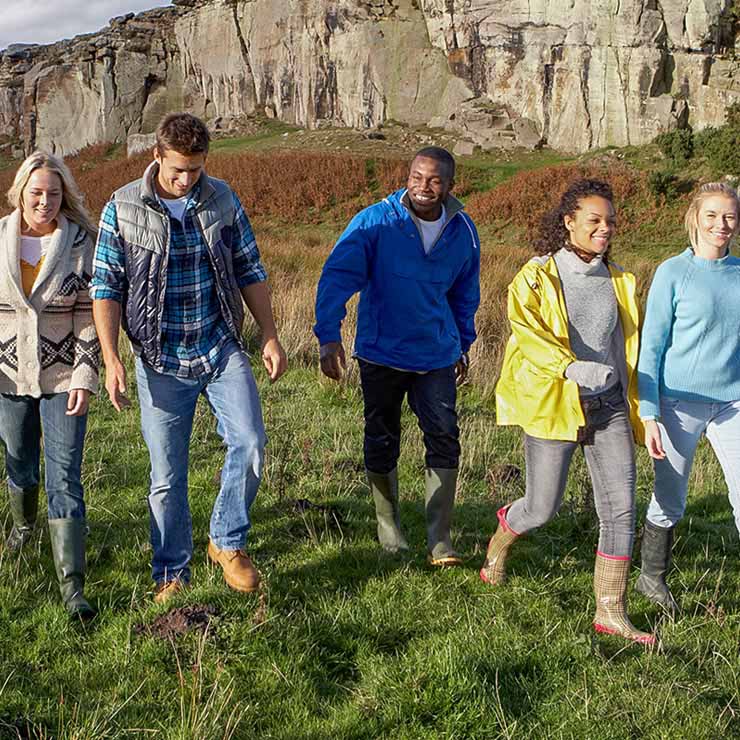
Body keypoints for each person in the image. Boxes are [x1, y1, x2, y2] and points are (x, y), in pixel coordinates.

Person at [90, 112, 287, 603]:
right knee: (167, 477)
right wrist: (112, 358)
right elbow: (106, 287)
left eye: (195, 170)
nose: (186, 179)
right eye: (178, 169)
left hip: (219, 346)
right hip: (160, 360)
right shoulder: (123, 207)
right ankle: (172, 572)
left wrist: (269, 335)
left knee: (251, 443)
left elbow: (249, 266)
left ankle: (227, 541)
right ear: (157, 155)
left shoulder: (222, 198)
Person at [482, 179, 655, 645]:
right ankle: (502, 535)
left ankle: (610, 612)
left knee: (620, 511)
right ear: (568, 222)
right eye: (594, 220)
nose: (605, 228)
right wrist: (572, 368)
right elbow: (528, 334)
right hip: (555, 404)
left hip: (609, 406)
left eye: (610, 221)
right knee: (542, 508)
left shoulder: (620, 279)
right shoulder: (536, 276)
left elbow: (629, 345)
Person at [314, 147, 480, 566]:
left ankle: (439, 539)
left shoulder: (463, 231)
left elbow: (465, 293)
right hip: (381, 353)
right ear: (407, 177)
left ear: (450, 185)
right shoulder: (375, 221)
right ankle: (389, 528)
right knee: (382, 435)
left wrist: (463, 343)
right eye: (416, 177)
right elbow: (337, 277)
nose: (424, 187)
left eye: (435, 180)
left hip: (436, 354)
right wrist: (328, 336)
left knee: (444, 434)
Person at [0, 151, 99, 618]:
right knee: (19, 459)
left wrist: (85, 374)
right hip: (6, 377)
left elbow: (88, 315)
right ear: (20, 192)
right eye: (37, 193)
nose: (45, 202)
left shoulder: (80, 243)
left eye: (54, 194)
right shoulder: (0, 237)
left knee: (64, 473)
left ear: (65, 196)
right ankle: (24, 527)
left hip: (63, 378)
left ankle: (72, 586)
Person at [636, 182, 740, 614]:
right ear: (695, 218)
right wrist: (649, 413)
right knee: (671, 498)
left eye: (730, 216)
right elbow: (651, 347)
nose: (721, 224)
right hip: (677, 404)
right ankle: (651, 577)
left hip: (733, 404)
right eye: (712, 215)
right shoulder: (672, 272)